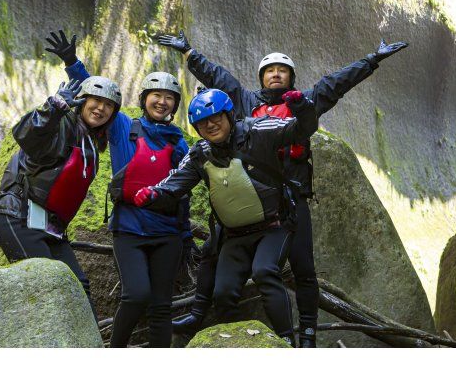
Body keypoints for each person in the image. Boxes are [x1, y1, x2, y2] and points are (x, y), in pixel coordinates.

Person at [158, 30, 407, 347]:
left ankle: (306, 334)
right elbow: (218, 77)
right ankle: (202, 317)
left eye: (282, 70)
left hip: (291, 198)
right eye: (269, 71)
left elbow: (338, 82)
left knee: (304, 268)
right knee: (211, 251)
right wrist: (190, 53)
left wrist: (373, 60)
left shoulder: (302, 102)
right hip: (248, 198)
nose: (276, 74)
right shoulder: (246, 102)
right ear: (262, 78)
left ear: (290, 77)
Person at [133, 87, 318, 346]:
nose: (211, 125)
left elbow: (301, 129)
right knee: (223, 293)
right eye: (202, 123)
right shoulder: (200, 153)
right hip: (234, 236)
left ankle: (287, 343)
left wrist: (302, 107)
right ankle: (241, 345)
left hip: (273, 226)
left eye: (216, 118)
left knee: (265, 271)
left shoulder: (258, 130)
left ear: (229, 115)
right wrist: (154, 194)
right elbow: (175, 184)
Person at [46, 29, 191, 348]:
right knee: (137, 295)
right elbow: (99, 97)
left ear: (175, 105)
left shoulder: (179, 142)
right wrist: (72, 63)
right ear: (144, 99)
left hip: (167, 234)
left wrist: (186, 236)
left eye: (169, 98)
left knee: (161, 306)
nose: (162, 101)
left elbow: (184, 190)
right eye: (157, 95)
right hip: (129, 230)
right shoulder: (124, 126)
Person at [0, 72, 122, 318]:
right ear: (81, 100)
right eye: (96, 100)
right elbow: (24, 134)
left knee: (78, 286)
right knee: (47, 286)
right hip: (19, 215)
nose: (101, 108)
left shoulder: (91, 142)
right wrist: (53, 108)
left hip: (52, 227)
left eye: (109, 106)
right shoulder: (61, 124)